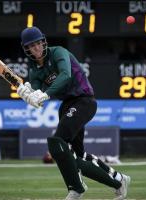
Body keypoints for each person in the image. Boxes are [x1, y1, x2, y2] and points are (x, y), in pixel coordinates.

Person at [17, 26, 131, 200]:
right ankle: (119, 180)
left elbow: (66, 75)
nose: (37, 48)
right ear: (27, 49)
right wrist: (28, 95)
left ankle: (76, 188)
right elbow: (36, 98)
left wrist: (45, 93)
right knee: (79, 156)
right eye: (32, 46)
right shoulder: (34, 70)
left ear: (43, 42)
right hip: (67, 105)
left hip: (84, 101)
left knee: (56, 142)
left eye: (38, 43)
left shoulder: (58, 53)